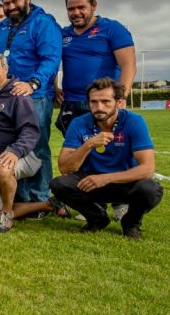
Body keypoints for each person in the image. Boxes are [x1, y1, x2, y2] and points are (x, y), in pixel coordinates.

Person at [0, 53, 68, 233]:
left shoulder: (17, 93)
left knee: (2, 168)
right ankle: (48, 205)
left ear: (5, 69)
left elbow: (31, 130)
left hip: (21, 155)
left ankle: (7, 217)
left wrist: (15, 151)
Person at [51, 78, 162, 239]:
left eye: (105, 101)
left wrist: (106, 178)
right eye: (93, 102)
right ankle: (97, 218)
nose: (99, 107)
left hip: (124, 182)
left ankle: (131, 223)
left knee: (150, 189)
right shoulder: (79, 123)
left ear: (118, 102)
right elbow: (65, 168)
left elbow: (147, 169)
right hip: (91, 182)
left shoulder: (134, 121)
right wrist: (88, 145)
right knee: (59, 184)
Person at [0, 0, 62, 205]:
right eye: (6, 3)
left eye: (15, 1)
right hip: (7, 96)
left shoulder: (43, 23)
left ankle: (39, 198)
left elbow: (51, 59)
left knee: (36, 146)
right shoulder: (1, 27)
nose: (10, 7)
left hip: (35, 96)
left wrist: (33, 84)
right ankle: (19, 196)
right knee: (12, 145)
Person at [56, 0, 136, 135]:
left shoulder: (112, 28)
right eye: (71, 9)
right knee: (74, 152)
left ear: (94, 6)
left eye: (81, 7)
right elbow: (51, 60)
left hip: (102, 102)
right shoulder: (63, 33)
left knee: (106, 151)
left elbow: (129, 65)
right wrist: (55, 87)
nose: (76, 13)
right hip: (71, 104)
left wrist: (122, 97)